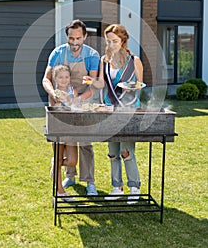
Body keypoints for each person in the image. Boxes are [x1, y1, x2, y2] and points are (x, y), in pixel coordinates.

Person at [42, 19, 100, 196]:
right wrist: (54, 94)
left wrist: (79, 99)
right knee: (63, 142)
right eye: (71, 38)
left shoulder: (92, 56)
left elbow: (94, 84)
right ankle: (69, 177)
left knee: (85, 143)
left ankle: (89, 181)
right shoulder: (58, 53)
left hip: (82, 102)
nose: (74, 42)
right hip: (58, 104)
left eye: (78, 38)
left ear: (85, 36)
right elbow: (46, 78)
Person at [87, 24, 143, 203]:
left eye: (115, 41)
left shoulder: (134, 61)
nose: (112, 45)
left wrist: (131, 89)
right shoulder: (105, 60)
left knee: (126, 151)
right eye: (109, 41)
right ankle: (116, 187)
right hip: (110, 110)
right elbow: (102, 84)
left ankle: (134, 187)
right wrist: (91, 81)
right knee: (112, 152)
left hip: (128, 110)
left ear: (123, 41)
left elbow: (140, 84)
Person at [50, 64, 78, 200]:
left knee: (72, 161)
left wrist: (70, 100)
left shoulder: (73, 90)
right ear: (55, 78)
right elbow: (54, 110)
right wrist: (60, 100)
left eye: (66, 77)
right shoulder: (54, 93)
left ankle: (55, 164)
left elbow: (75, 106)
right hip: (58, 128)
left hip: (71, 129)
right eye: (60, 77)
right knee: (59, 157)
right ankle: (60, 191)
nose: (64, 80)